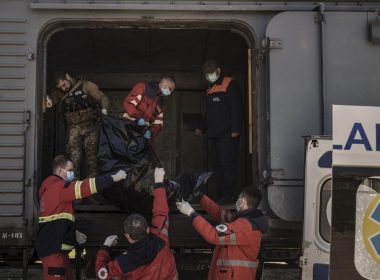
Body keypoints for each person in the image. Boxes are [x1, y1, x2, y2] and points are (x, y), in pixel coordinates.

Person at [35, 155, 127, 280]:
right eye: (70, 170)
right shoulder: (58, 187)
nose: (73, 173)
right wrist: (112, 178)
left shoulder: (51, 188)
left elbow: (57, 220)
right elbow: (85, 187)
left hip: (57, 250)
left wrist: (73, 233)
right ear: (60, 171)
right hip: (54, 252)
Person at [95, 167, 178, 280]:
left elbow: (101, 274)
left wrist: (105, 248)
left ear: (127, 236)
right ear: (148, 229)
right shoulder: (160, 238)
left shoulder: (123, 262)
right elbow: (161, 212)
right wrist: (159, 182)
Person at [176, 187, 268, 280]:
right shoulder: (245, 220)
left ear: (242, 201)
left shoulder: (245, 226)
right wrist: (199, 196)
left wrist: (191, 213)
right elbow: (219, 213)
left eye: (238, 198)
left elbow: (214, 235)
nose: (237, 201)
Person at [45, 72, 109, 179]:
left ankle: (92, 193)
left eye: (64, 84)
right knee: (73, 161)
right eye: (61, 87)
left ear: (67, 77)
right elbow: (47, 103)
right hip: (74, 129)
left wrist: (104, 110)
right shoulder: (58, 93)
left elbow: (103, 97)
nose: (64, 88)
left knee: (92, 161)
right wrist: (46, 102)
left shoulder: (86, 85)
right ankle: (74, 192)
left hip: (90, 127)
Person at [196, 59, 242, 203]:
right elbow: (209, 112)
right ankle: (221, 195)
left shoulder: (230, 84)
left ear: (218, 71)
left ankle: (230, 195)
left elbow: (237, 108)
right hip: (214, 134)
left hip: (227, 134)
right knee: (216, 167)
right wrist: (202, 127)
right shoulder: (210, 88)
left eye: (211, 73)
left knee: (227, 165)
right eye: (207, 74)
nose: (210, 76)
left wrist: (236, 129)